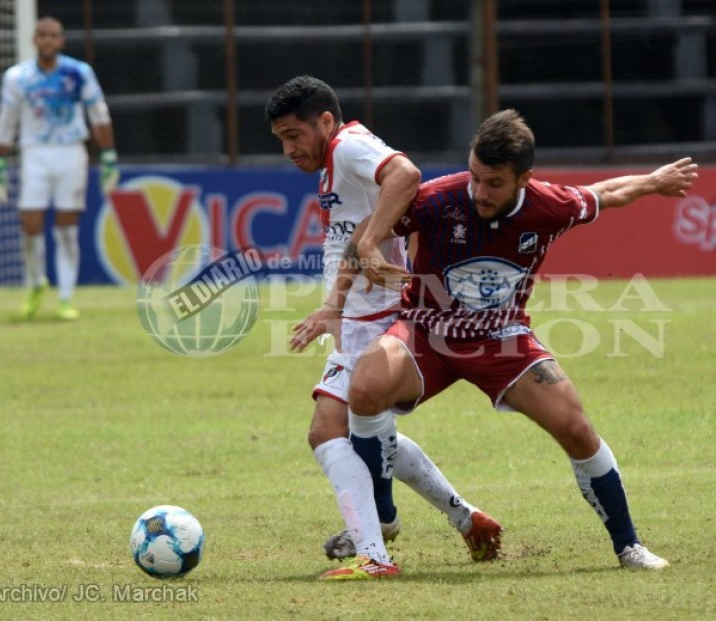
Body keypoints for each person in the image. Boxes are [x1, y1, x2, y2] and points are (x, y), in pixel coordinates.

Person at [347, 108, 698, 570]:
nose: (479, 191)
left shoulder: (550, 205)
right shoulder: (436, 199)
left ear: (523, 180)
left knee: (576, 429)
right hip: (426, 331)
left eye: (494, 183)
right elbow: (365, 231)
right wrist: (367, 251)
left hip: (503, 339)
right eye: (475, 176)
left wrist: (653, 182)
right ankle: (384, 516)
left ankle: (629, 547)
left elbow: (606, 193)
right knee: (365, 388)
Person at [265, 75, 502, 580]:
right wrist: (334, 303)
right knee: (371, 432)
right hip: (359, 314)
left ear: (324, 121)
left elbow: (405, 175)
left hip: (373, 318)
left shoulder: (348, 146)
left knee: (326, 431)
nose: (288, 149)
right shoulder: (338, 159)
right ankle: (466, 518)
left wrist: (369, 249)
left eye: (293, 135)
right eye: (281, 140)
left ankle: (375, 549)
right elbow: (360, 228)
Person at [0, 16, 119, 320]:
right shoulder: (18, 77)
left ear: (61, 41)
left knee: (66, 226)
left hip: (70, 151)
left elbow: (98, 114)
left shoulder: (78, 73)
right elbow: (6, 120)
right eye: (42, 34)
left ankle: (65, 296)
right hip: (34, 152)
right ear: (34, 40)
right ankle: (37, 281)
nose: (48, 40)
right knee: (30, 221)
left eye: (53, 35)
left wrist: (108, 155)